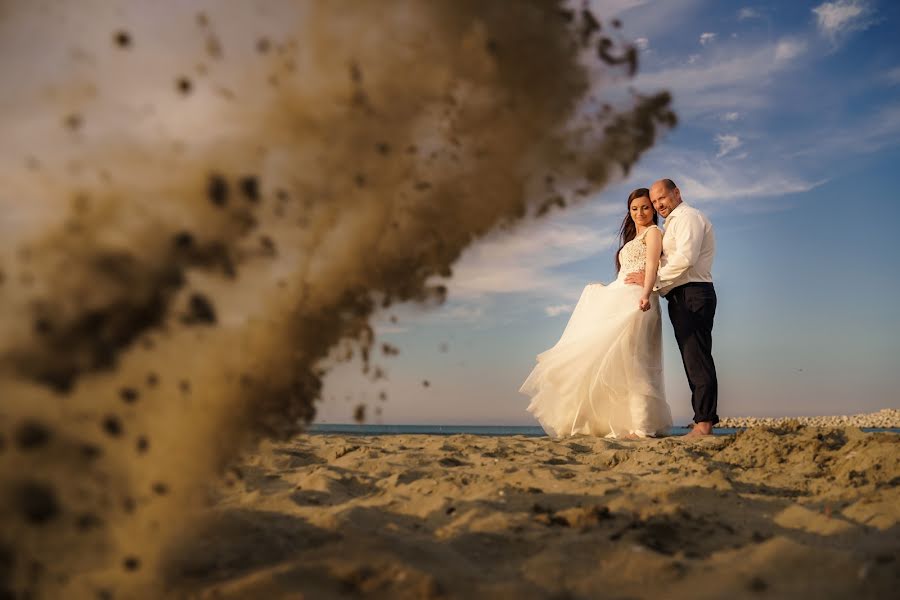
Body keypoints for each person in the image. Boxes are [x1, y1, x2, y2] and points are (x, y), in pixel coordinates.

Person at [520, 188, 673, 439]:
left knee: (635, 361)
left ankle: (642, 425)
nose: (640, 213)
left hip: (638, 300)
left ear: (653, 209)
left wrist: (646, 292)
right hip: (622, 294)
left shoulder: (654, 233)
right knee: (612, 360)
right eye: (634, 208)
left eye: (645, 207)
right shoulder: (635, 238)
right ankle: (609, 421)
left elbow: (654, 265)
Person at [625, 179, 718, 437]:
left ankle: (704, 423)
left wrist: (651, 280)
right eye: (655, 202)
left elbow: (685, 260)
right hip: (680, 295)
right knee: (692, 358)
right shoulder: (672, 223)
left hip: (693, 293)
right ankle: (702, 419)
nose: (658, 205)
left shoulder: (688, 217)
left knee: (696, 357)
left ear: (676, 193)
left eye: (661, 199)